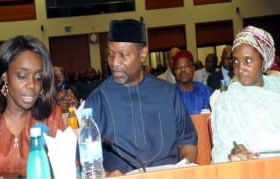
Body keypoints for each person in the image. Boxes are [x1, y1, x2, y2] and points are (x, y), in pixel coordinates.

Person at [84, 19, 197, 174]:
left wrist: (184, 170)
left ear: (142, 54)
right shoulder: (97, 101)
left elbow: (187, 142)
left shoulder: (167, 93)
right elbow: (86, 162)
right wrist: (107, 175)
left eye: (123, 55)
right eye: (110, 54)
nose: (115, 62)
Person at [0, 35, 66, 177]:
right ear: (5, 77)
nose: (32, 85)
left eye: (38, 78)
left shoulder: (50, 117)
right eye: (22, 76)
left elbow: (68, 168)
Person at [211, 26, 280, 163]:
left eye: (247, 61)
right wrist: (233, 153)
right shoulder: (227, 99)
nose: (240, 68)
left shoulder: (277, 86)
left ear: (264, 62)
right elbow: (220, 150)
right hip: (252, 169)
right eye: (235, 61)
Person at [172, 50, 212, 115]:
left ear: (193, 68)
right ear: (174, 71)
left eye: (187, 66)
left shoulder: (206, 91)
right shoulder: (169, 94)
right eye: (178, 67)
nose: (183, 70)